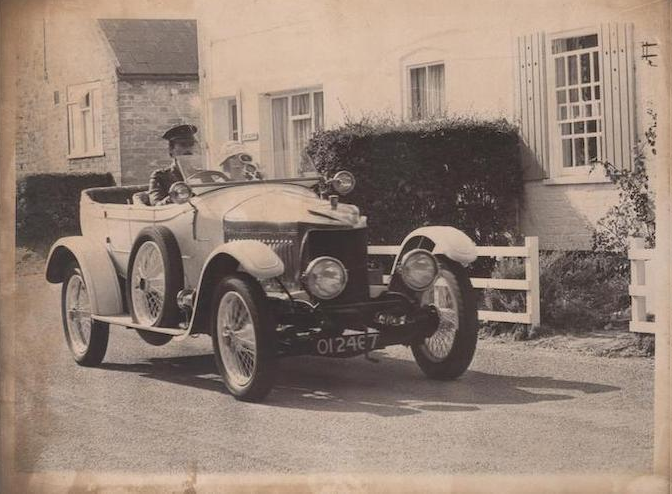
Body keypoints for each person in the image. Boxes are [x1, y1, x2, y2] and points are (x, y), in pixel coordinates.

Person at [148, 124, 198, 205]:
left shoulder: (200, 175)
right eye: (183, 145)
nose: (188, 149)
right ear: (171, 149)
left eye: (191, 144)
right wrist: (176, 196)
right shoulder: (160, 176)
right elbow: (156, 205)